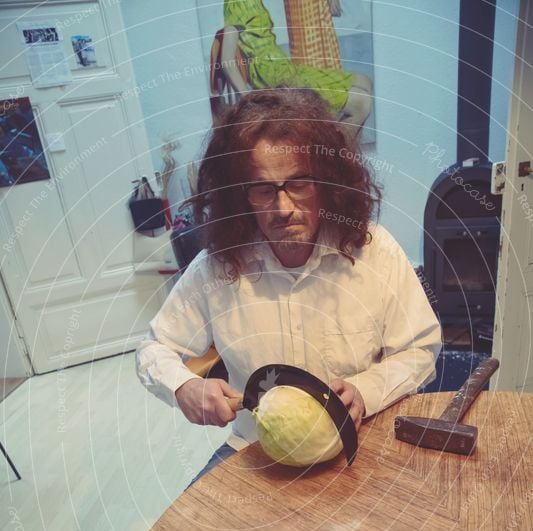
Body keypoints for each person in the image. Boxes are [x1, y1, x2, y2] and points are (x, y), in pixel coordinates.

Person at [136, 88, 441, 478]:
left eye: (299, 184)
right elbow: (153, 348)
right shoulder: (218, 267)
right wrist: (184, 387)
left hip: (359, 441)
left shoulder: (374, 251)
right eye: (264, 189)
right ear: (239, 195)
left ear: (329, 182)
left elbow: (420, 349)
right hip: (256, 450)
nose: (284, 208)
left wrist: (368, 389)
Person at [220, 0, 372, 136]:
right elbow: (226, 59)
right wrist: (247, 97)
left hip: (285, 68)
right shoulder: (237, 3)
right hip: (273, 77)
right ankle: (335, 157)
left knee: (364, 81)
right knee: (362, 103)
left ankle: (336, 150)